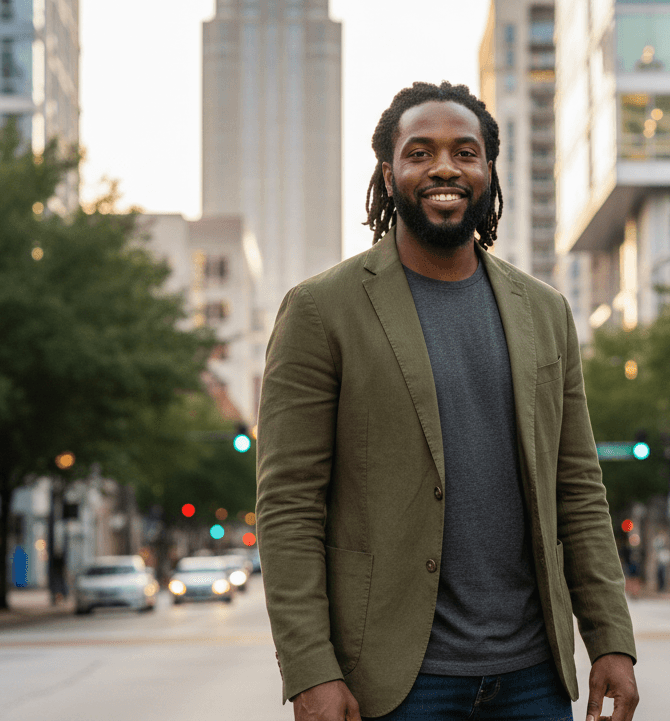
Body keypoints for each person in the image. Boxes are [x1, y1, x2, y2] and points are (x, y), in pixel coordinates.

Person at [256, 81, 639, 721]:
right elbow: (288, 504)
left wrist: (610, 640)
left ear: (488, 172)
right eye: (420, 152)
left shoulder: (545, 312)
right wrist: (310, 671)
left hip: (534, 678)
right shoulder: (322, 310)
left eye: (465, 152)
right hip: (396, 683)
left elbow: (578, 487)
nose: (444, 167)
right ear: (389, 172)